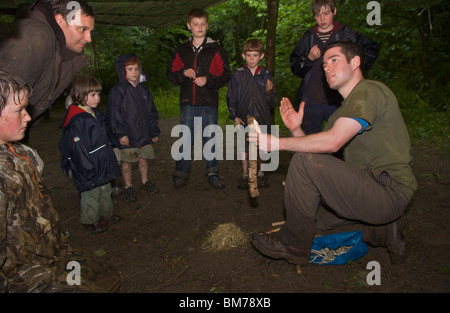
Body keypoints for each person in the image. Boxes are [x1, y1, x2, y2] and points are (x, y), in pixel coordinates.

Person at [251, 41, 417, 266]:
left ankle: (293, 245)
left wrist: (277, 143)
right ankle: (385, 231)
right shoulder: (341, 113)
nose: (326, 67)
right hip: (366, 192)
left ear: (355, 62)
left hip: (389, 190)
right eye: (324, 63)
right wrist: (295, 128)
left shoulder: (370, 91)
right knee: (313, 223)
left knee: (302, 169)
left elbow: (332, 143)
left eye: (334, 60)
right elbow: (317, 160)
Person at [0, 69, 120, 292]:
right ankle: (91, 221)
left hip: (50, 253)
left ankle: (103, 219)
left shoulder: (23, 155)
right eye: (19, 110)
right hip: (24, 274)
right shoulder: (76, 122)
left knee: (106, 276)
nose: (28, 116)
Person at [0, 0, 95, 126]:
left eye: (90, 31)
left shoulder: (62, 52)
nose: (89, 38)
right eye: (82, 29)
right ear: (60, 21)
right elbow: (5, 100)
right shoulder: (34, 37)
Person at [290, 0, 378, 134]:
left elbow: (371, 49)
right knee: (309, 145)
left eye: (326, 13)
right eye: (318, 15)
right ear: (314, 16)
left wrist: (354, 69)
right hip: (311, 101)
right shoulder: (308, 37)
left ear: (334, 11)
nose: (322, 18)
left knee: (339, 145)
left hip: (339, 101)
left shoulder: (347, 34)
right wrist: (309, 59)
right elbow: (295, 67)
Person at [166, 8, 231, 189]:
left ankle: (212, 172)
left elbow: (226, 74)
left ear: (207, 25)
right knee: (185, 138)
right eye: (196, 24)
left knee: (209, 138)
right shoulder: (182, 50)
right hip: (187, 103)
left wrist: (208, 80)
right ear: (189, 26)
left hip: (209, 103)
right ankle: (181, 173)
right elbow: (170, 73)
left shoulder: (216, 49)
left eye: (203, 24)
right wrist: (183, 73)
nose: (199, 27)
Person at [58, 75, 121, 234]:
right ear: (78, 96)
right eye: (92, 95)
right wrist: (87, 167)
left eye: (98, 94)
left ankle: (107, 215)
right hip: (89, 165)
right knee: (91, 193)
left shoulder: (96, 115)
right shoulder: (76, 120)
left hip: (102, 161)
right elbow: (77, 147)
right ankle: (90, 221)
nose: (97, 98)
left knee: (106, 190)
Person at [107, 54, 160, 203]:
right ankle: (128, 187)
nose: (134, 72)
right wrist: (120, 134)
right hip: (127, 135)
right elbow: (113, 115)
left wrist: (154, 131)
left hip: (144, 133)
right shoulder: (117, 91)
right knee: (127, 163)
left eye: (136, 69)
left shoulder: (144, 90)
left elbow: (152, 112)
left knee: (144, 159)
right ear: (122, 71)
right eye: (130, 69)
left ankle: (145, 182)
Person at [226, 39, 277, 189]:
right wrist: (234, 115)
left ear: (261, 56)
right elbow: (231, 97)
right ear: (243, 55)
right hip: (243, 117)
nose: (252, 58)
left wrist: (268, 92)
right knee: (244, 147)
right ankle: (245, 174)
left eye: (255, 55)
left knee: (261, 147)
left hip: (262, 117)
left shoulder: (266, 75)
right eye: (249, 55)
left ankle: (260, 174)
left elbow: (273, 101)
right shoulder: (238, 75)